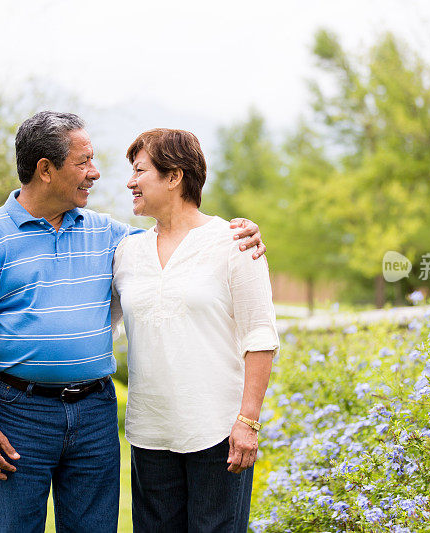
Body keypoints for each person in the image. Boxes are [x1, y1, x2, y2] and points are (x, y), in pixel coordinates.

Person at [0, 112, 265, 533]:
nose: (96, 173)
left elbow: (178, 242)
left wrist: (238, 232)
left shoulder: (111, 236)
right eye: (84, 162)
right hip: (19, 415)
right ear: (45, 169)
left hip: (94, 414)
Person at [112, 128, 279, 532]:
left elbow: (260, 337)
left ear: (174, 177)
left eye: (140, 171)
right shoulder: (127, 251)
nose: (130, 182)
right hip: (150, 434)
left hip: (218, 432)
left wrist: (247, 422)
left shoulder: (234, 242)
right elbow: (103, 324)